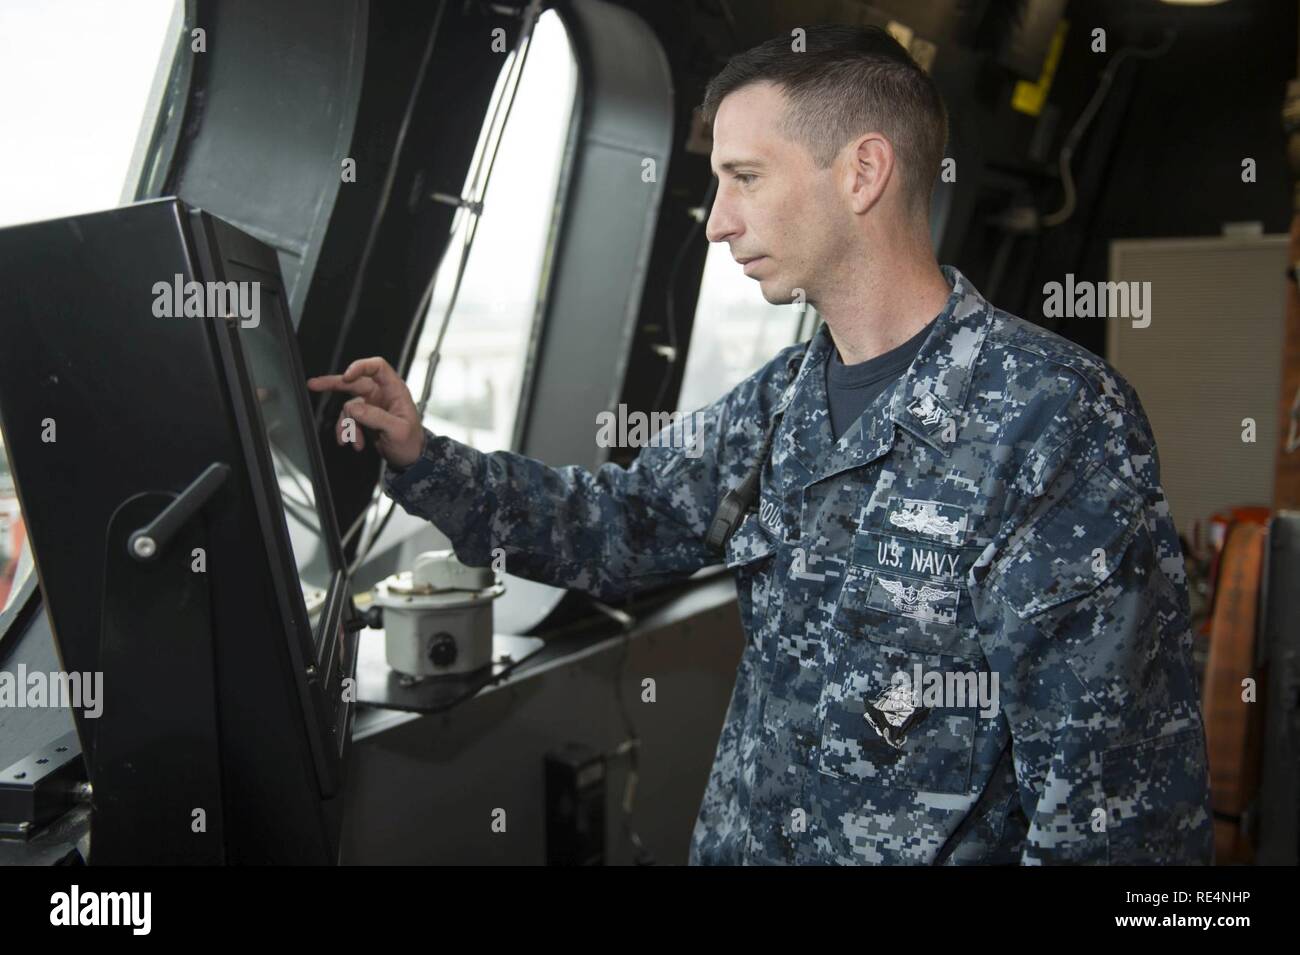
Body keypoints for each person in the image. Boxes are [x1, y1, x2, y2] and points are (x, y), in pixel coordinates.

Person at [308, 24, 1212, 865]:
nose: (716, 220)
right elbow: (619, 525)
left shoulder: (1056, 420)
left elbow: (1115, 807)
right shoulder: (778, 405)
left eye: (745, 177)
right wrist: (425, 459)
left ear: (862, 173)